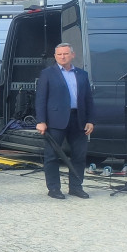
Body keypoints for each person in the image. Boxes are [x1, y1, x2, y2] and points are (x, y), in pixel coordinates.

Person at [35, 42, 95, 200]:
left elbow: (88, 99)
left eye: (66, 54)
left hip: (79, 119)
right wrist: (41, 120)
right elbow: (40, 99)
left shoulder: (82, 74)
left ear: (72, 55)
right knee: (52, 155)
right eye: (59, 54)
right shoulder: (47, 73)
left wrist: (90, 120)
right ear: (55, 56)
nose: (62, 57)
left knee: (79, 156)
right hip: (55, 120)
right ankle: (54, 188)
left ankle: (75, 187)